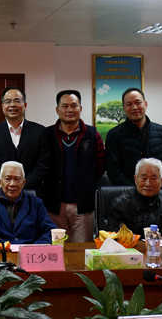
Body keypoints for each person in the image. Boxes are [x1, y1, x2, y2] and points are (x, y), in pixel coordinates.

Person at [42, 90, 105, 242]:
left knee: (82, 250)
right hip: (53, 206)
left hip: (83, 206)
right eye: (65, 106)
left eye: (74, 105)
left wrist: (87, 184)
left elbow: (100, 165)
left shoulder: (92, 134)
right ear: (57, 110)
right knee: (56, 249)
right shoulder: (46, 134)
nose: (69, 110)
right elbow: (41, 166)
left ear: (80, 108)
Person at [105, 88, 162, 192]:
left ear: (145, 104)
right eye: (129, 104)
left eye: (138, 102)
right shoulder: (114, 135)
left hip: (161, 194)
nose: (134, 107)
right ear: (124, 108)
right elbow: (113, 170)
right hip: (129, 196)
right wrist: (135, 192)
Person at [0, 161, 56, 244]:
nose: (12, 184)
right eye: (7, 179)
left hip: (28, 253)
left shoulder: (36, 203)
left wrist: (35, 247)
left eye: (17, 179)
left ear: (23, 183)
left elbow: (51, 232)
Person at [0, 87, 50, 191]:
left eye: (17, 101)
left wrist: (22, 186)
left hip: (32, 193)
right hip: (0, 193)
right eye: (8, 101)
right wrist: (5, 187)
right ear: (2, 106)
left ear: (25, 105)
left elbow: (43, 165)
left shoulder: (40, 131)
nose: (12, 105)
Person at [106, 158, 162, 239]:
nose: (148, 183)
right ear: (135, 179)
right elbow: (113, 236)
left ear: (161, 180)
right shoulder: (120, 204)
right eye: (144, 178)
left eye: (153, 178)